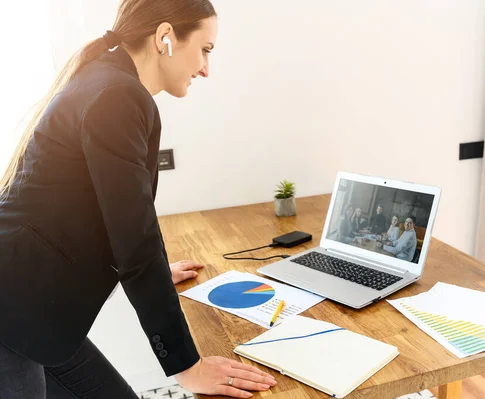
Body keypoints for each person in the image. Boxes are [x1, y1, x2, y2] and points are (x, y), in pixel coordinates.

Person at [0, 1, 277, 398]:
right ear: (165, 37)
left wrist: (158, 272)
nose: (205, 68)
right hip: (12, 313)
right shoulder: (117, 95)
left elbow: (106, 219)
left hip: (36, 313)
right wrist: (188, 365)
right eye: (205, 50)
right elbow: (136, 239)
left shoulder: (108, 82)